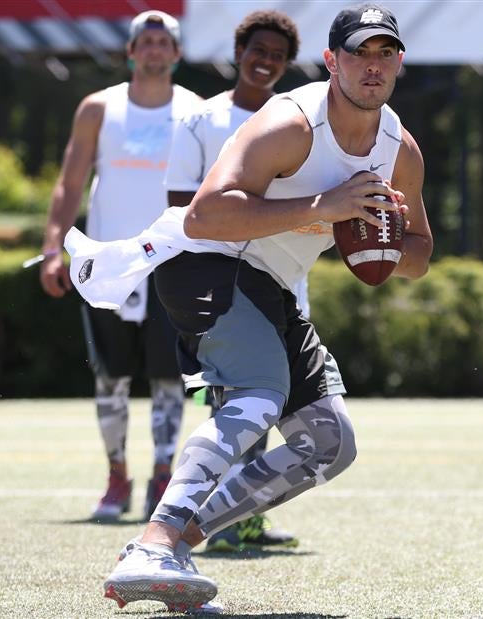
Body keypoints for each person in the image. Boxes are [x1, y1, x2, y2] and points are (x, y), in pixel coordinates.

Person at [93, 4, 433, 611]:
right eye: (359, 53)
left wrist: (387, 238)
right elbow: (204, 214)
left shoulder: (399, 149)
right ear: (333, 62)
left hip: (270, 282)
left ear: (400, 62)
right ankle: (154, 540)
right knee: (260, 393)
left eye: (386, 53)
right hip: (204, 261)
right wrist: (322, 207)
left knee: (329, 442)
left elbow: (419, 254)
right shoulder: (291, 122)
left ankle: (176, 549)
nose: (374, 66)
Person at [38, 10, 202, 522]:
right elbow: (69, 182)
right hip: (105, 264)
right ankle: (115, 477)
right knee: (110, 377)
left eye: (163, 41)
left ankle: (161, 478)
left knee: (170, 378)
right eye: (145, 41)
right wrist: (52, 248)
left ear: (176, 54)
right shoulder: (98, 108)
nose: (154, 49)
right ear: (131, 51)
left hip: (171, 261)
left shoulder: (196, 110)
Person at [164, 9, 304, 552]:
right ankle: (210, 519)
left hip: (282, 272)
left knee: (266, 397)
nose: (266, 62)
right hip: (218, 282)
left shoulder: (294, 124)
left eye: (277, 55)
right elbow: (180, 204)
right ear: (238, 52)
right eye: (258, 51)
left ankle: (239, 516)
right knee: (235, 400)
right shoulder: (201, 121)